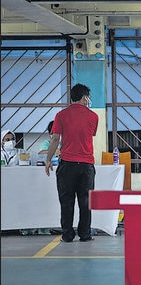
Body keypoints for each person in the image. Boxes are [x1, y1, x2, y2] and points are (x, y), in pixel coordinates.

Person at [44, 83, 98, 242]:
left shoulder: (60, 115)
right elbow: (90, 134)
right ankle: (85, 234)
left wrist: (48, 159)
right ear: (84, 98)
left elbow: (55, 139)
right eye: (88, 97)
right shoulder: (94, 116)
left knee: (66, 201)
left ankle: (67, 235)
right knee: (85, 202)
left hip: (67, 164)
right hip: (86, 165)